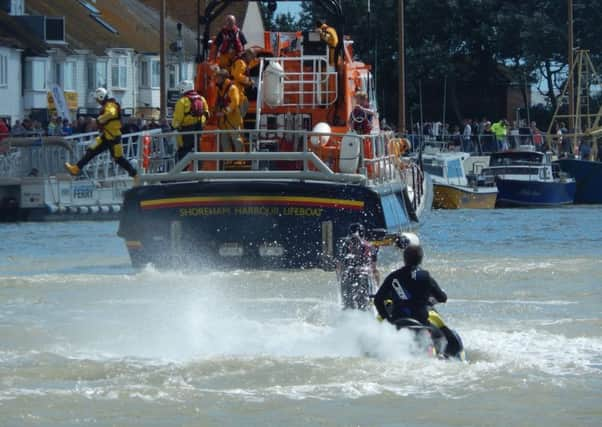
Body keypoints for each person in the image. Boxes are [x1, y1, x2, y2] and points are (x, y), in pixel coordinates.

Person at [65, 88, 138, 184]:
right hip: (105, 136)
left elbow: (111, 113)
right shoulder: (106, 105)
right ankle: (76, 168)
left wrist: (99, 120)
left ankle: (135, 175)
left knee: (119, 158)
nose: (97, 101)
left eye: (97, 99)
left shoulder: (111, 105)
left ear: (101, 97)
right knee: (91, 150)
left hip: (113, 137)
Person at [373, 242, 447, 326]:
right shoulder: (425, 276)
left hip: (398, 323)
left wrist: (387, 319)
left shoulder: (394, 276)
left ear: (404, 259)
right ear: (421, 259)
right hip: (421, 322)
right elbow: (442, 298)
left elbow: (377, 300)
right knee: (448, 333)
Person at [335, 223, 380, 310]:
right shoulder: (370, 247)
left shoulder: (344, 245)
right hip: (364, 277)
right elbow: (374, 270)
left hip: (347, 277)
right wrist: (377, 286)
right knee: (365, 307)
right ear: (363, 233)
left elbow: (338, 266)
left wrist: (340, 279)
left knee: (347, 307)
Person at [171, 80, 209, 162]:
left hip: (186, 131)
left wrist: (173, 126)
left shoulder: (181, 101)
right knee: (198, 150)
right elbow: (207, 114)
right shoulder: (202, 99)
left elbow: (178, 119)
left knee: (183, 152)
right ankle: (199, 169)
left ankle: (182, 171)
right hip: (199, 129)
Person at [215, 68, 244, 153]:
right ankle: (229, 160)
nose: (216, 79)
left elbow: (235, 102)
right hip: (224, 121)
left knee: (237, 140)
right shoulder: (220, 89)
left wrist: (224, 112)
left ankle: (240, 161)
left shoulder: (232, 88)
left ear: (223, 78)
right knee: (224, 141)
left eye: (218, 77)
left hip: (233, 119)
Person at [230, 48, 257, 118]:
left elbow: (251, 64)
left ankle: (239, 121)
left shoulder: (243, 62)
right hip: (236, 88)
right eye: (252, 57)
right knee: (242, 105)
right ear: (248, 55)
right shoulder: (241, 63)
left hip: (239, 89)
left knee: (244, 104)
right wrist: (249, 81)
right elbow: (237, 75)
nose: (252, 59)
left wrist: (259, 60)